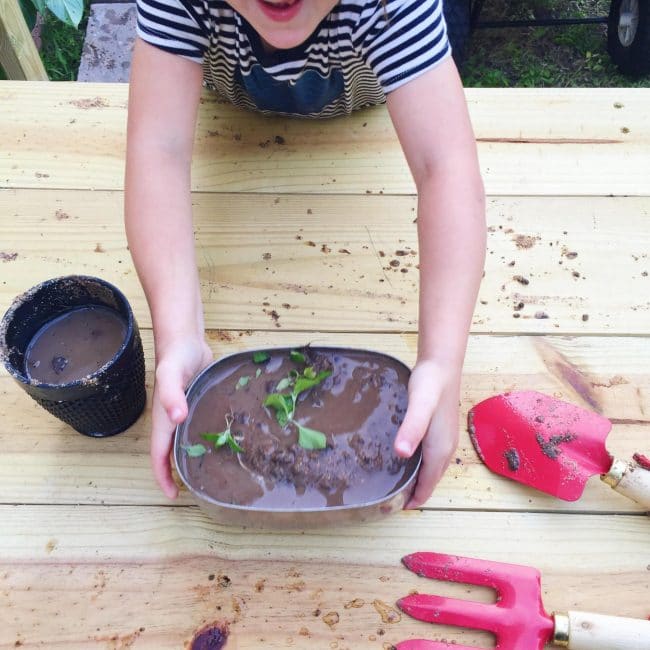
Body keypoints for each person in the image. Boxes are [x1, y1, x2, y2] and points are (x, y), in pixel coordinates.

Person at [125, 0, 486, 508]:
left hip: (368, 111)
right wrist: (178, 333)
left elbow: (443, 164)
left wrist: (442, 361)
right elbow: (158, 149)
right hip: (234, 122)